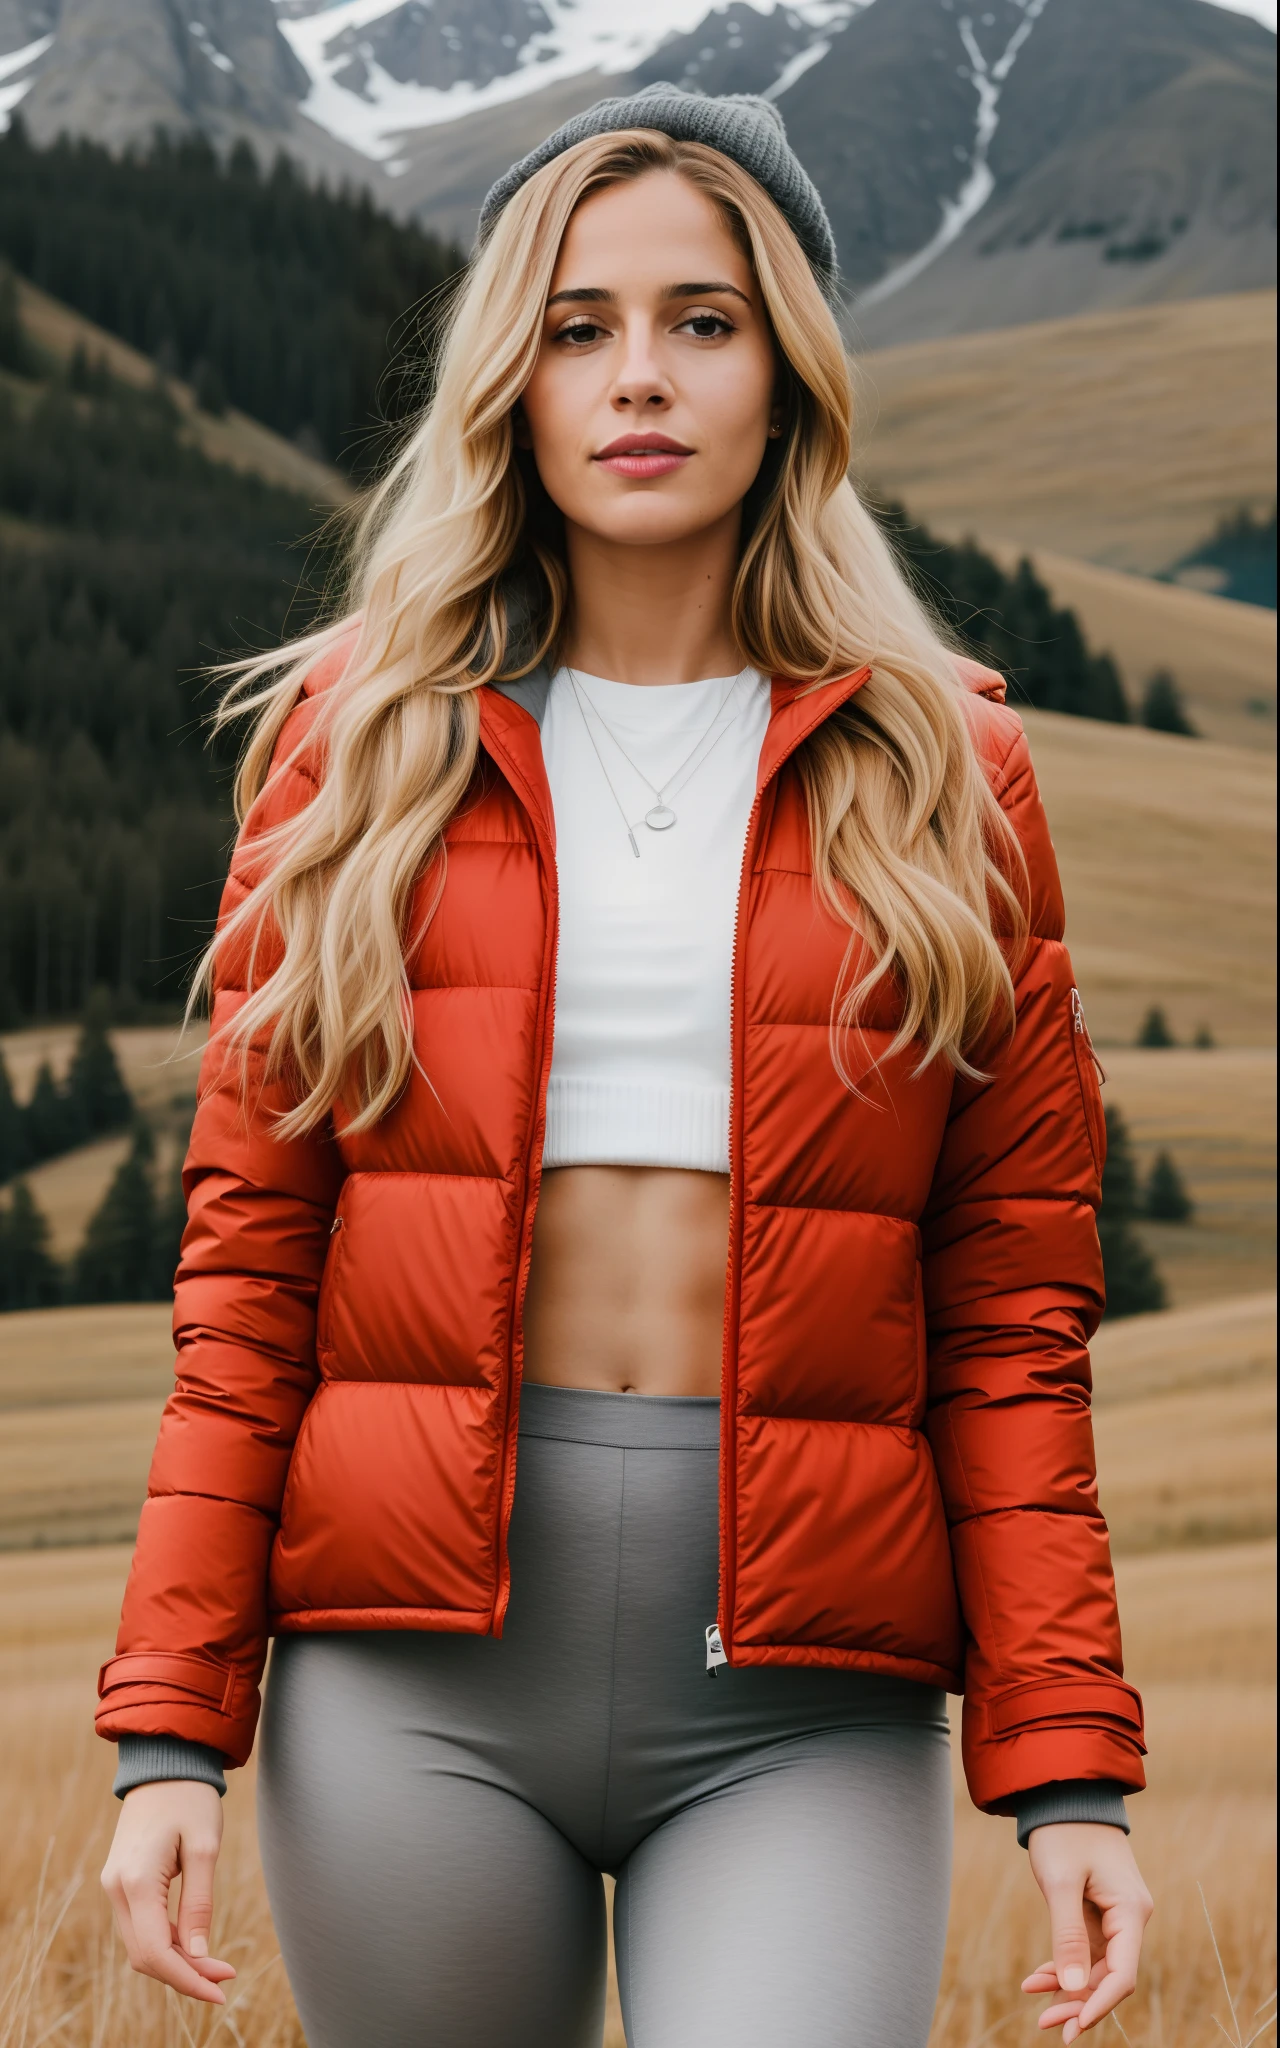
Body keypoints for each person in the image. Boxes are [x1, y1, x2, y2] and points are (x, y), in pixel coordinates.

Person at [97, 86, 1152, 2048]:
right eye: (578, 327)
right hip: (404, 1680)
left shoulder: (950, 769)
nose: (637, 377)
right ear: (511, 375)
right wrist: (172, 1723)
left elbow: (1009, 1316)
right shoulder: (354, 749)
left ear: (788, 374)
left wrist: (1066, 1762)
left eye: (702, 319)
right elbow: (246, 1285)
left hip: (805, 1692)